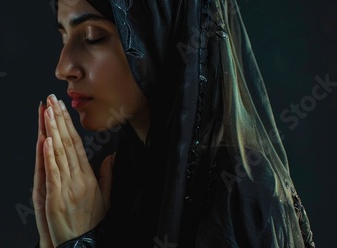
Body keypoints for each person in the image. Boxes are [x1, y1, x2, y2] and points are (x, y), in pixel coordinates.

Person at [32, 0, 316, 247]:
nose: (62, 68)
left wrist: (79, 242)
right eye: (63, 36)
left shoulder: (240, 188)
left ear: (162, 34)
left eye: (93, 37)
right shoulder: (108, 175)